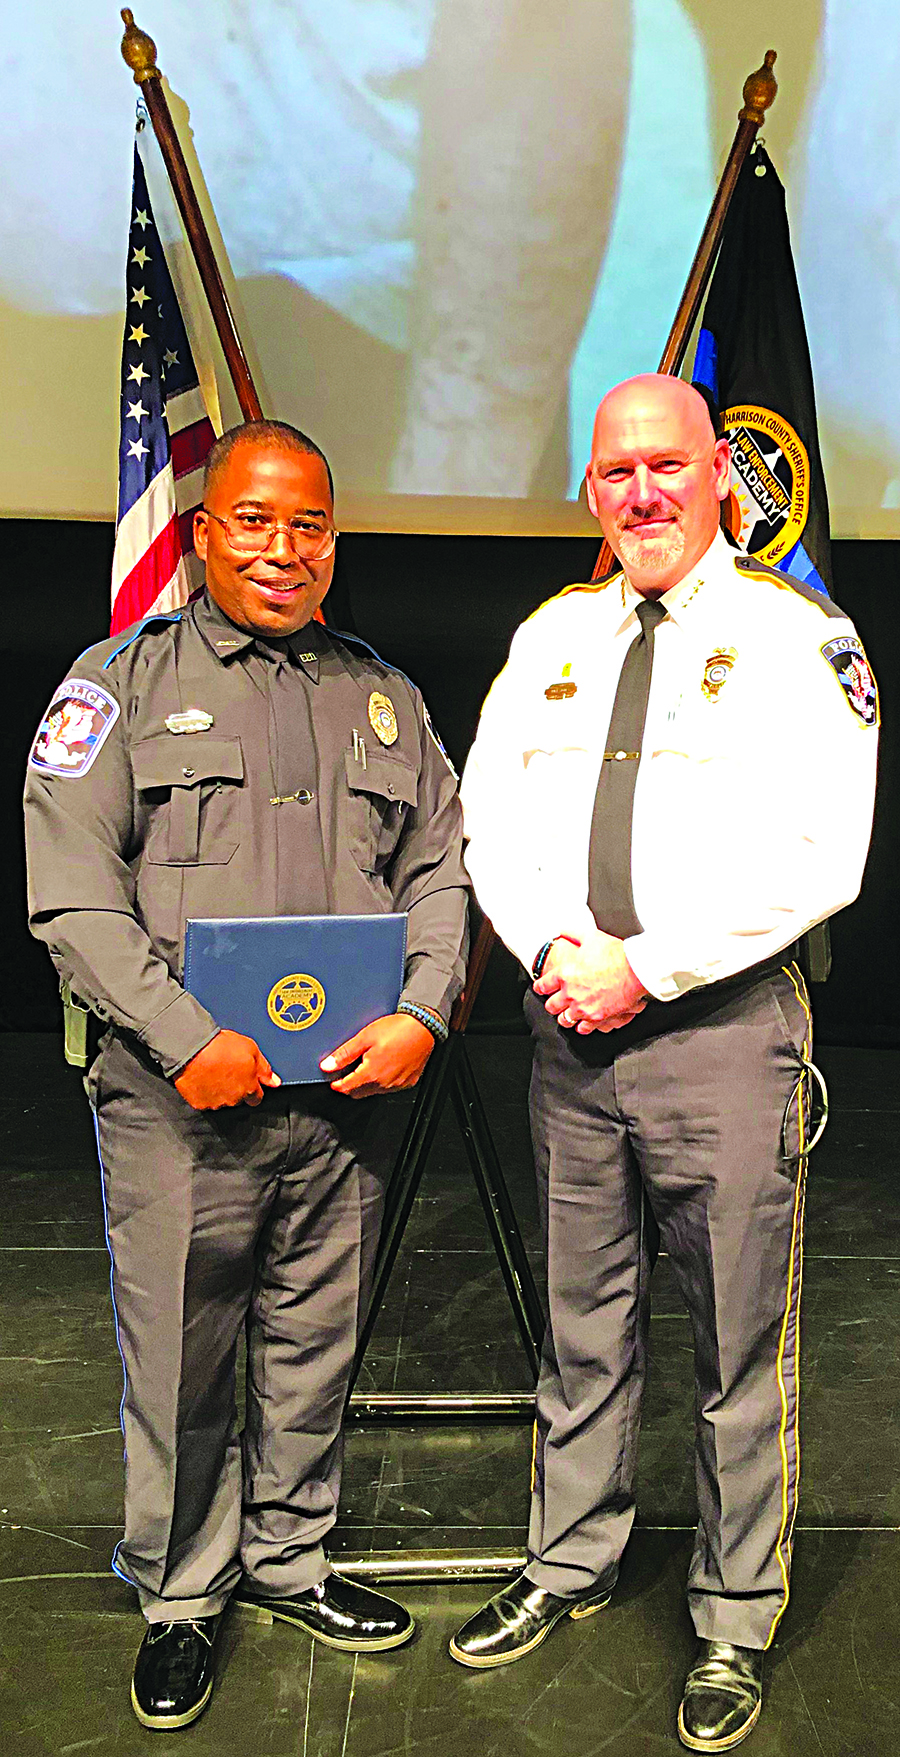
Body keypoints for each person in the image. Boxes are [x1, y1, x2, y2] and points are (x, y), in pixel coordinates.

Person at [23, 420, 468, 1731]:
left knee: (314, 1339)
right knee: (181, 1347)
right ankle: (180, 1592)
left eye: (309, 524)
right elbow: (73, 900)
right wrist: (183, 1038)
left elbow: (444, 871)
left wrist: (425, 1014)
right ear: (207, 531)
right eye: (256, 521)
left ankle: (289, 1557)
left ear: (333, 539)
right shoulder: (117, 687)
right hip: (181, 1103)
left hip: (344, 1099)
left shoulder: (383, 697)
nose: (283, 548)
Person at [455, 375, 877, 1751]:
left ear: (719, 477)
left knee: (736, 1341)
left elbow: (823, 853)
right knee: (581, 1324)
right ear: (592, 489)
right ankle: (569, 1557)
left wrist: (646, 967)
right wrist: (552, 951)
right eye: (616, 471)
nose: (642, 493)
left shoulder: (797, 639)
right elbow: (488, 817)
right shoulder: (553, 636)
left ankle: (735, 1614)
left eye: (668, 467)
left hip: (721, 1036)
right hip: (570, 1033)